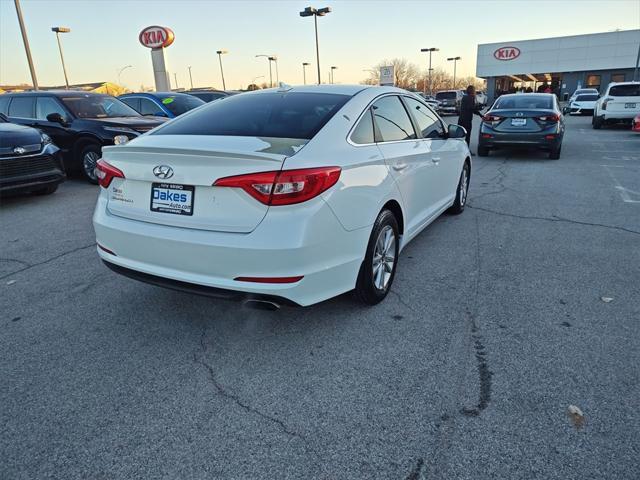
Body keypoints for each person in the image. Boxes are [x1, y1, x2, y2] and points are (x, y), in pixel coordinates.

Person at [457, 85, 483, 150]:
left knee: (460, 136)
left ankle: (460, 149)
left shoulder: (464, 97)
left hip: (461, 120)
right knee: (467, 136)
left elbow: (469, 108)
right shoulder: (471, 98)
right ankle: (466, 150)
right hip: (467, 121)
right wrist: (480, 113)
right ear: (472, 91)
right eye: (474, 90)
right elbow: (471, 109)